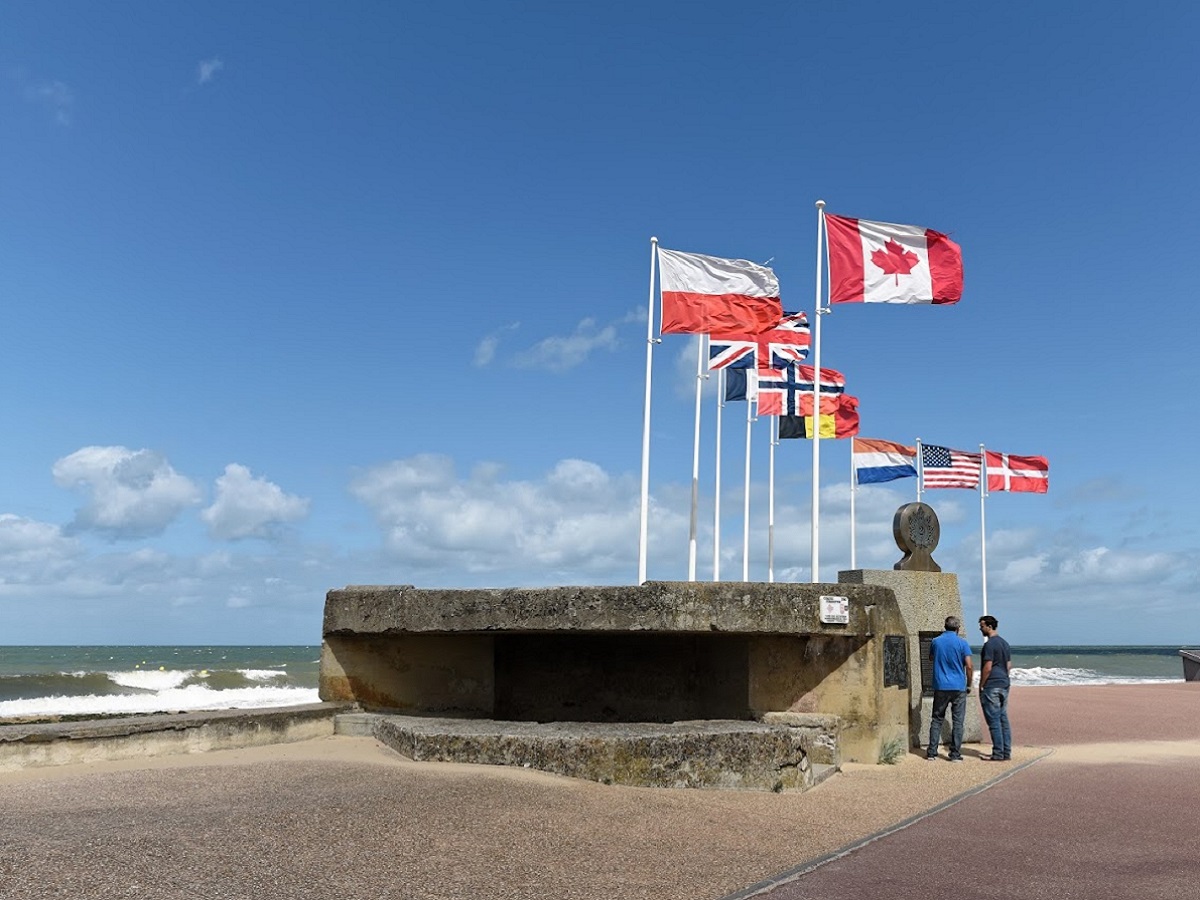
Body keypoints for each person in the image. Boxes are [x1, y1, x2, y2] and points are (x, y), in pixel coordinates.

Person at [926, 615, 973, 761]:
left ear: (945, 627)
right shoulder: (962, 643)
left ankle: (932, 752)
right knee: (958, 721)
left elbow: (931, 658)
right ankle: (955, 754)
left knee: (937, 719)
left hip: (940, 685)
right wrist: (969, 684)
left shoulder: (936, 641)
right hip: (958, 686)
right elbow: (969, 665)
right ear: (957, 628)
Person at [977, 615, 1013, 761]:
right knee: (1003, 718)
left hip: (992, 685)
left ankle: (998, 752)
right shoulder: (1005, 643)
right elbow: (1009, 665)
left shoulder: (990, 645)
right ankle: (1006, 751)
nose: (980, 628)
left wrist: (982, 684)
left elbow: (988, 667)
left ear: (989, 626)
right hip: (1004, 683)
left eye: (982, 626)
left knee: (994, 720)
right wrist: (1004, 677)